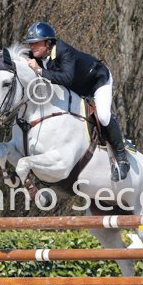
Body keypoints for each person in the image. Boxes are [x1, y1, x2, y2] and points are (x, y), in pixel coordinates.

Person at [24, 22, 130, 182]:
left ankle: (122, 159)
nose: (32, 47)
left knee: (103, 116)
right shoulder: (35, 55)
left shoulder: (63, 51)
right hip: (77, 88)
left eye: (36, 43)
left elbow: (66, 78)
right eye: (30, 44)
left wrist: (39, 70)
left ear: (48, 42)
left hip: (97, 81)